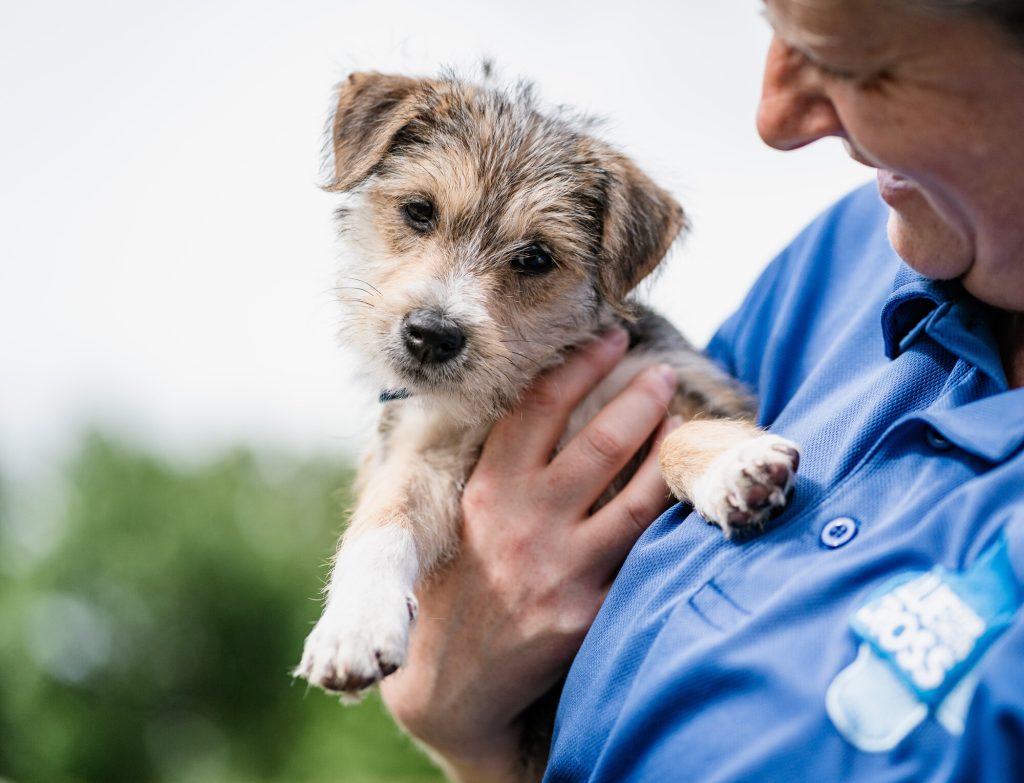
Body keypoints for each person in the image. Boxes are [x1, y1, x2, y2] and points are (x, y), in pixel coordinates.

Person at [379, 0, 1024, 780]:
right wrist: (461, 722)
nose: (774, 117)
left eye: (863, 68)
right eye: (777, 31)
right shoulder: (840, 270)